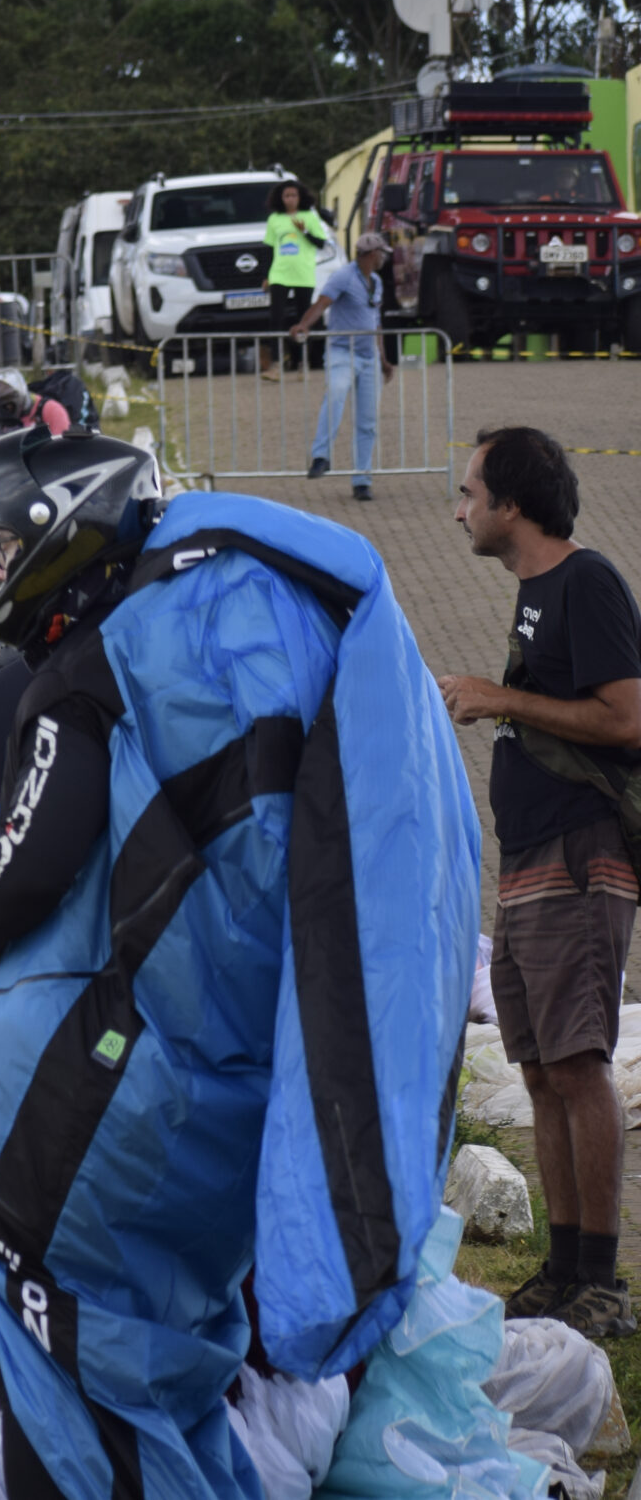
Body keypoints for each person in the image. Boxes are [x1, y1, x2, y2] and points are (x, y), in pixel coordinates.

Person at [0, 424, 478, 1497]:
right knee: (163, 1384)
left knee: (83, 1400)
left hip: (119, 1099)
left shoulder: (96, 665)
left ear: (59, 535)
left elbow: (23, 865)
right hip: (233, 1099)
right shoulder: (261, 612)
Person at [438, 427, 641, 1338]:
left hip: (577, 857)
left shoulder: (586, 582)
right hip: (527, 861)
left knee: (577, 1062)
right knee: (538, 1066)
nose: (459, 509)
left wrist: (500, 697)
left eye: (471, 492)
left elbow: (626, 717)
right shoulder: (535, 594)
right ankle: (562, 1268)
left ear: (512, 503)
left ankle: (603, 1277)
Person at [287, 230, 393, 502]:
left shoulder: (376, 281)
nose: (383, 258)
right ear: (371, 254)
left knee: (367, 421)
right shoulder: (344, 275)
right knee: (335, 395)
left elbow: (375, 320)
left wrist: (383, 359)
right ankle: (321, 456)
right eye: (381, 253)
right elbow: (322, 303)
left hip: (369, 356)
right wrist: (303, 325)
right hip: (341, 352)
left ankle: (362, 480)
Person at [260, 180, 329, 381]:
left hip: (303, 274)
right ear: (280, 199)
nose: (290, 199)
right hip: (280, 273)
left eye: (293, 195)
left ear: (300, 197)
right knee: (276, 317)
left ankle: (301, 363)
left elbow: (321, 243)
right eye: (286, 196)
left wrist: (304, 231)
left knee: (302, 318)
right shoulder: (274, 219)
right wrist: (266, 276)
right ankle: (275, 365)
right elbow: (269, 249)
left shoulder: (310, 217)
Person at [0, 368, 68, 439]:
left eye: (9, 405)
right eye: (1, 406)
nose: (6, 410)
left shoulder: (51, 410)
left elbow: (61, 448)